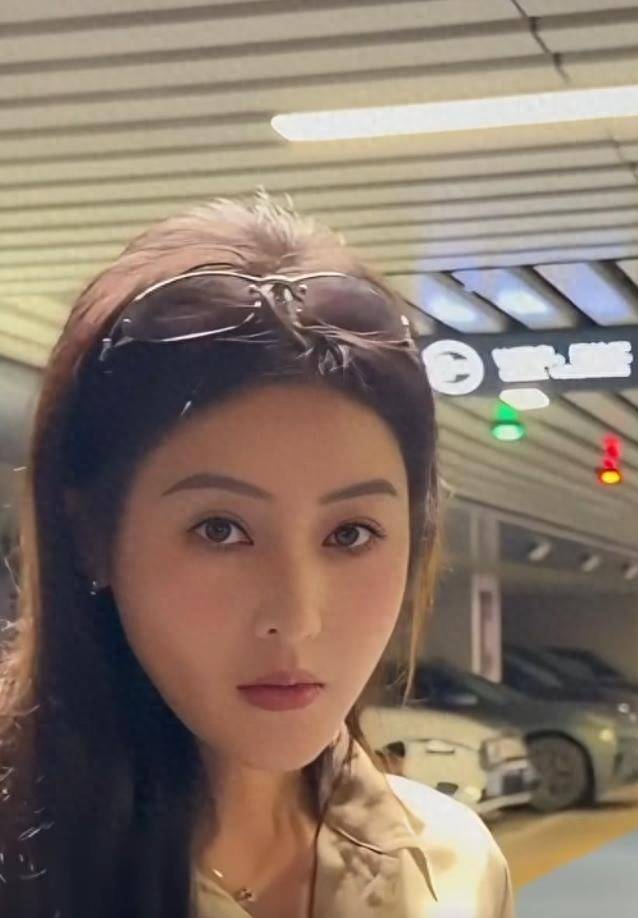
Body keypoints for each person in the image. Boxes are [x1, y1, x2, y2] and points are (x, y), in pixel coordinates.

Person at [0, 190, 515, 917]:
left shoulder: (453, 868)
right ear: (92, 537)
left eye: (351, 534)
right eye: (219, 529)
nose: (297, 618)